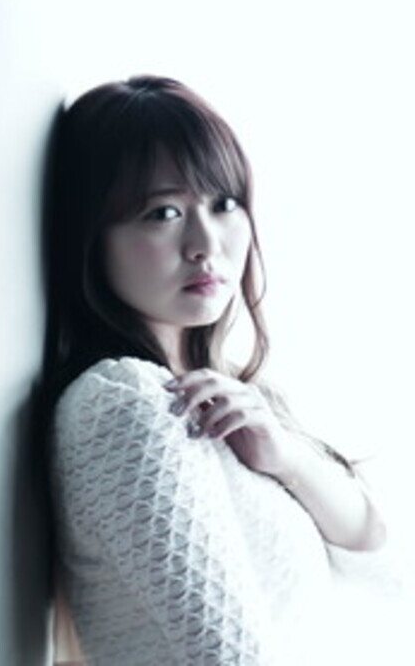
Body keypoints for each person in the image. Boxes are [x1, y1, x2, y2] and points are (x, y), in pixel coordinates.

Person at [34, 75, 387, 665]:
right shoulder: (123, 403)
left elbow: (376, 550)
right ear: (91, 237)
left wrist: (286, 458)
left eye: (224, 204)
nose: (205, 244)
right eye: (163, 212)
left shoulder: (234, 398)